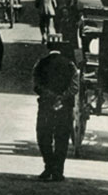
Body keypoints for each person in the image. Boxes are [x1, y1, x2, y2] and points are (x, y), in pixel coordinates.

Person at [33, 34, 79, 182]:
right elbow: (75, 87)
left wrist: (51, 96)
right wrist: (61, 98)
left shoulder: (41, 63)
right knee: (62, 138)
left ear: (49, 48)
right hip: (65, 106)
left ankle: (49, 166)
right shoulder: (70, 65)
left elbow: (36, 85)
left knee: (43, 136)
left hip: (46, 105)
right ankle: (58, 171)